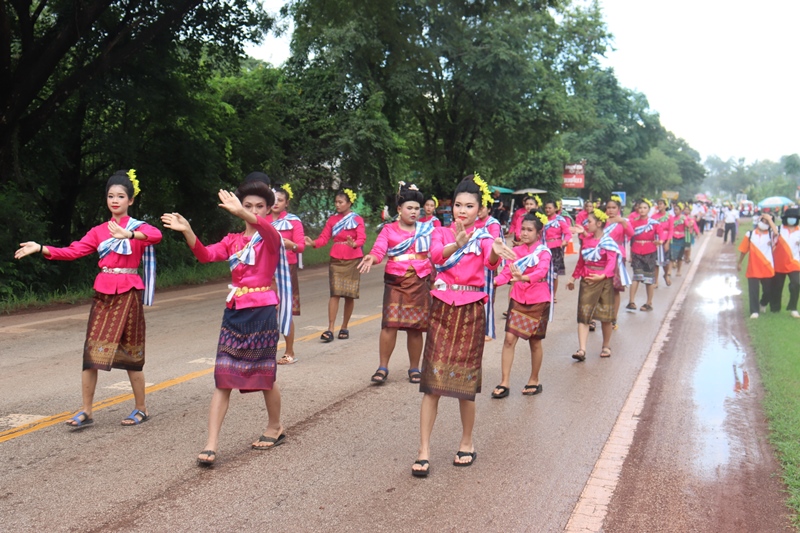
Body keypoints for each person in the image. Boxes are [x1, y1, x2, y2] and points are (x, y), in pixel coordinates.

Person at [15, 170, 161, 429]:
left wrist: (129, 235)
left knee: (131, 355)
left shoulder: (138, 228)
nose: (115, 200)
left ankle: (141, 408)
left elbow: (156, 235)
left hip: (129, 293)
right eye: (110, 196)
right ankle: (86, 410)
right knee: (91, 353)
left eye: (121, 196)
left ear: (130, 200)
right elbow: (73, 251)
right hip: (103, 293)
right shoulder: (98, 231)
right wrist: (41, 248)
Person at [161, 178, 290, 465]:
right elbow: (206, 255)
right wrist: (188, 231)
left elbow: (266, 229)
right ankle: (211, 444)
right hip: (234, 310)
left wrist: (242, 212)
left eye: (259, 206)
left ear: (269, 209)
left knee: (263, 373)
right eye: (248, 206)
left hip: (262, 311)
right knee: (223, 376)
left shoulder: (271, 237)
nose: (253, 211)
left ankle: (275, 426)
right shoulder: (232, 240)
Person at [411, 175, 515, 477]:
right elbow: (434, 257)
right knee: (431, 384)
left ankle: (467, 442)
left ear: (480, 209)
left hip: (471, 311)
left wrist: (496, 248)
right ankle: (423, 450)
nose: (462, 210)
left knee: (465, 386)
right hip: (442, 310)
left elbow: (492, 262)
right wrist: (454, 245)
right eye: (458, 204)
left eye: (469, 206)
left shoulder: (484, 237)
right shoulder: (440, 232)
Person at [359, 182, 432, 384]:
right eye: (409, 208)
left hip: (419, 281)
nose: (414, 212)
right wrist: (371, 258)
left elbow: (437, 252)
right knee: (389, 325)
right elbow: (379, 250)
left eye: (417, 208)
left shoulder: (427, 230)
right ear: (399, 209)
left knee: (415, 327)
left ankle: (415, 368)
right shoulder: (388, 230)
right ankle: (382, 367)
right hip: (395, 281)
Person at [491, 211, 552, 399]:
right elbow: (506, 273)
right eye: (523, 229)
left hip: (538, 300)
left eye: (529, 230)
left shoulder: (544, 252)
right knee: (509, 339)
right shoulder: (515, 252)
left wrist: (522, 277)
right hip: (518, 298)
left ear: (538, 233)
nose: (524, 233)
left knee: (535, 342)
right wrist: (493, 283)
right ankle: (504, 382)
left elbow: (541, 272)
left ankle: (534, 380)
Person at [305, 185, 366, 342]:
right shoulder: (332, 220)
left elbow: (362, 238)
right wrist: (313, 243)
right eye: (336, 202)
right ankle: (330, 328)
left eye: (340, 202)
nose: (337, 205)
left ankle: (344, 326)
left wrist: (355, 244)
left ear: (349, 203)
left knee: (349, 294)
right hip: (336, 259)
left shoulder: (357, 219)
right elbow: (324, 238)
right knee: (335, 293)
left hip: (353, 259)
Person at [566, 209, 621, 360]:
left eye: (589, 222)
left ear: (598, 223)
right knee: (583, 315)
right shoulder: (586, 241)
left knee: (605, 316)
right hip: (588, 279)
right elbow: (581, 261)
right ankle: (582, 350)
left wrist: (603, 275)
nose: (586, 224)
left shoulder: (608, 242)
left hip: (604, 281)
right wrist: (573, 278)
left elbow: (611, 261)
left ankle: (606, 346)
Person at [271, 183, 305, 364]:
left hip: (286, 269)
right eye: (273, 199)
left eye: (280, 200)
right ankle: (265, 350)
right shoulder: (261, 220)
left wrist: (291, 245)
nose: (276, 203)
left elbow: (301, 246)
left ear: (287, 203)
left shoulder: (293, 221)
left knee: (285, 310)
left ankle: (289, 351)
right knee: (266, 309)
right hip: (266, 268)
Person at [626, 199, 664, 311]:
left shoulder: (654, 223)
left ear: (648, 210)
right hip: (636, 250)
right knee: (636, 276)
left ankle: (649, 303)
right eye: (640, 208)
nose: (642, 210)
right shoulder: (633, 222)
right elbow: (628, 235)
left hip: (650, 251)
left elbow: (661, 234)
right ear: (637, 209)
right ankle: (631, 302)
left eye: (645, 208)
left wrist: (660, 241)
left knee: (649, 278)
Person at [737, 214, 778, 319]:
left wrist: (769, 219)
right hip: (753, 267)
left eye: (767, 222)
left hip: (767, 267)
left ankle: (763, 303)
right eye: (763, 220)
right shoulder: (750, 234)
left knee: (768, 290)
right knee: (753, 291)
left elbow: (776, 233)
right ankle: (754, 311)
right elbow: (743, 250)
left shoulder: (771, 235)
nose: (764, 223)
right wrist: (739, 263)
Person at [476, 202, 505, 339]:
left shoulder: (493, 224)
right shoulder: (474, 222)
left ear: (488, 209)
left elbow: (494, 242)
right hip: (475, 262)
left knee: (487, 296)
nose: (479, 210)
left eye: (482, 207)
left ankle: (487, 329)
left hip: (488, 262)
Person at [603, 196, 633, 328]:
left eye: (613, 207)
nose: (611, 210)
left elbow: (631, 233)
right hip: (602, 255)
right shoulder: (601, 221)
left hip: (617, 256)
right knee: (600, 287)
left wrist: (623, 222)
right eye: (608, 207)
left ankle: (613, 318)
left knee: (615, 288)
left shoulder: (623, 221)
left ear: (619, 208)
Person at [771, 208, 800, 317]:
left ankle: (793, 308)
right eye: (790, 217)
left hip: (794, 262)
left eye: (794, 218)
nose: (792, 219)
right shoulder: (778, 230)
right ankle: (775, 308)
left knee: (796, 283)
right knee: (777, 287)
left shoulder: (799, 231)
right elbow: (771, 244)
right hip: (779, 262)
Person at [543, 200, 571, 301]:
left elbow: (567, 233)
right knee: (543, 272)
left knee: (554, 273)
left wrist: (565, 241)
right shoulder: (543, 219)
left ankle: (553, 295)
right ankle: (544, 294)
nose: (547, 210)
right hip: (544, 248)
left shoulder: (560, 220)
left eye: (550, 208)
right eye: (546, 208)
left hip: (556, 248)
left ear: (555, 209)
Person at [652, 199, 673, 287]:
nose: (659, 205)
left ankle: (666, 275)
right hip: (656, 240)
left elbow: (671, 230)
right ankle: (656, 281)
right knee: (655, 262)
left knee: (666, 261)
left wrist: (667, 242)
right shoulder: (653, 217)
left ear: (665, 205)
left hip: (665, 240)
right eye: (658, 204)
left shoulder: (669, 217)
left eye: (661, 204)